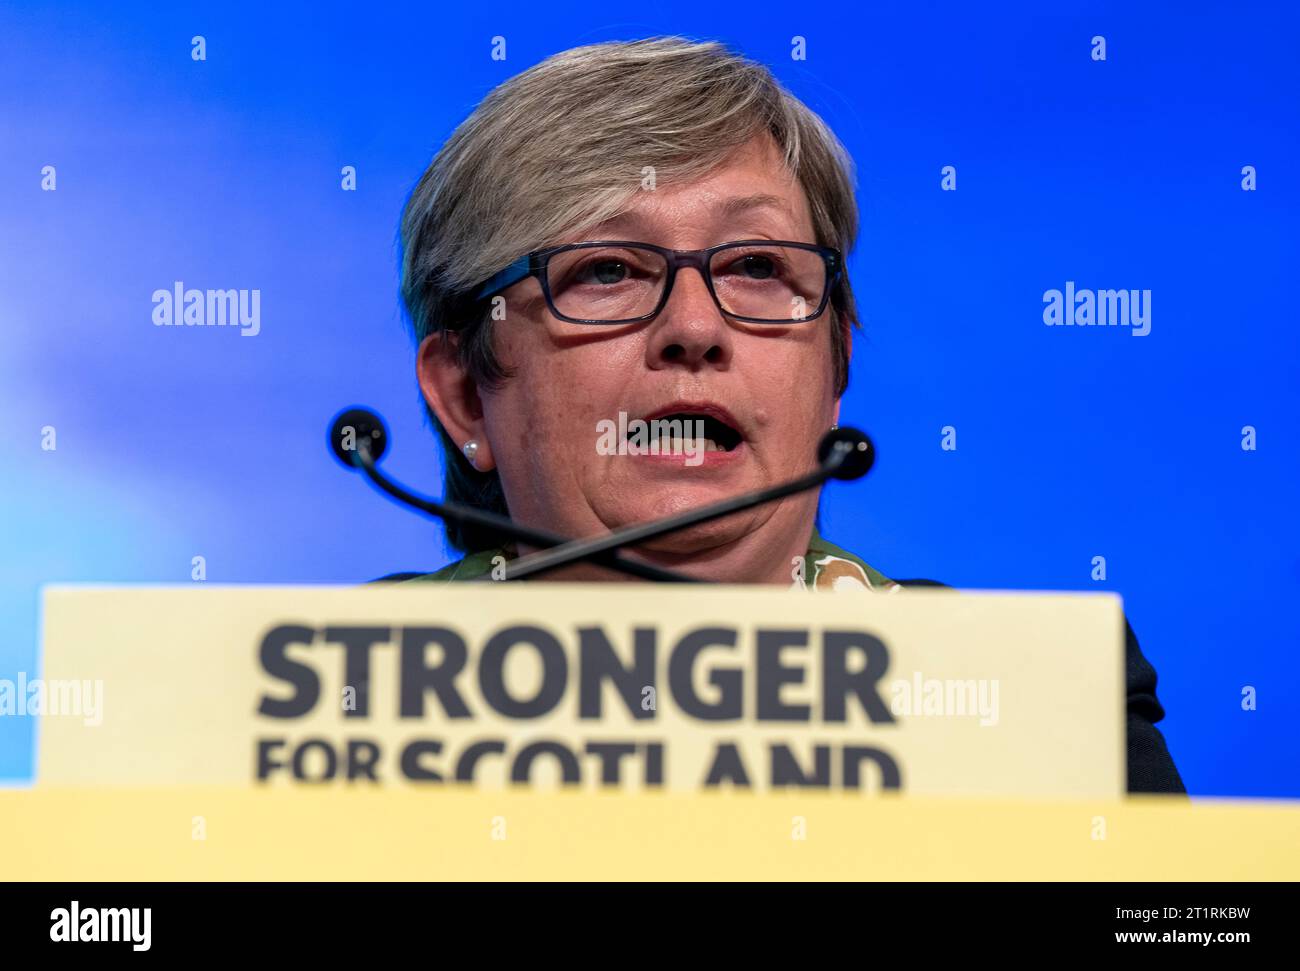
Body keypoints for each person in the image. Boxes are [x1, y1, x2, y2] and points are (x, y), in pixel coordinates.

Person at [391, 37, 1184, 794]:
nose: (695, 328)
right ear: (465, 392)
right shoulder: (328, 696)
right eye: (607, 270)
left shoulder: (1033, 699)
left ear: (835, 361)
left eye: (757, 266)